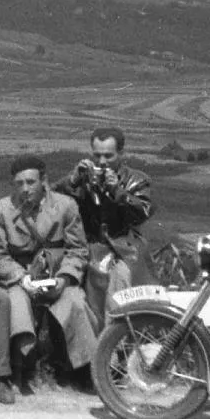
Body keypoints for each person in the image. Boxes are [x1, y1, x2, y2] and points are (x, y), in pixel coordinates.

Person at [0, 154, 94, 401]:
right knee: (15, 303)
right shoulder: (1, 210)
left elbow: (78, 250)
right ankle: (18, 367)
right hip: (21, 277)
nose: (25, 189)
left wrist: (64, 278)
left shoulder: (65, 206)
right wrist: (21, 278)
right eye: (19, 183)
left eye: (31, 182)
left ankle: (85, 369)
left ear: (44, 181)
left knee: (75, 303)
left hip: (57, 276)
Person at [53, 126, 156, 327]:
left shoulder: (137, 179)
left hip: (125, 247)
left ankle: (117, 337)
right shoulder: (82, 178)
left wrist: (118, 191)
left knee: (120, 281)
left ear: (121, 154)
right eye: (97, 155)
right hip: (88, 246)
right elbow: (52, 203)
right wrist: (72, 181)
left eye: (108, 156)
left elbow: (142, 212)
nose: (101, 162)